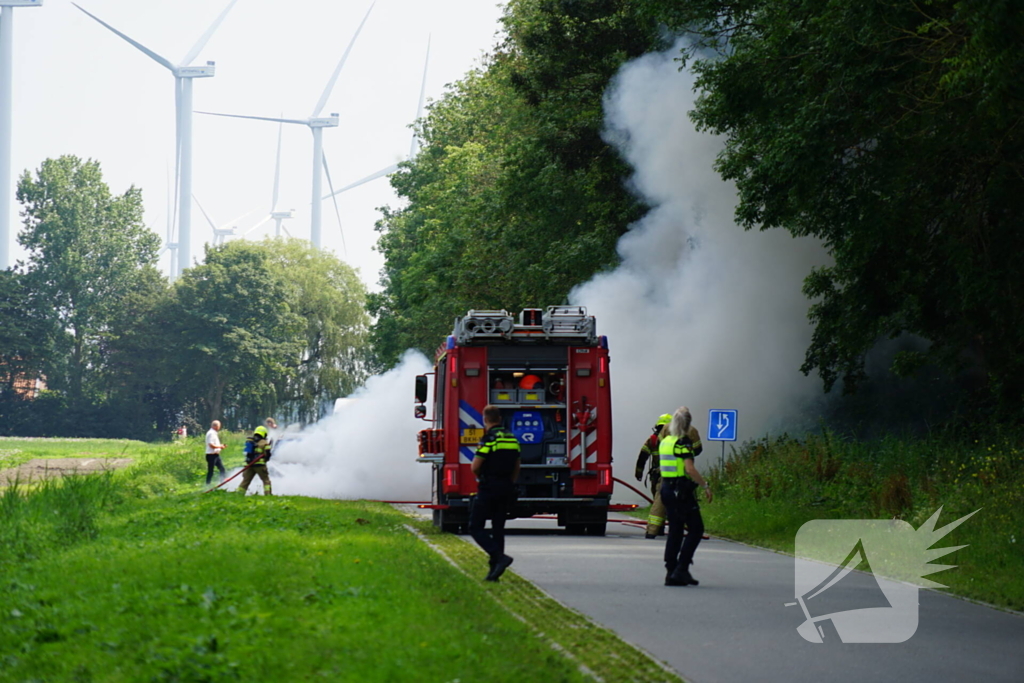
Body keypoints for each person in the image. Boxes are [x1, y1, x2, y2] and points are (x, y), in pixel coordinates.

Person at [659, 406, 712, 586]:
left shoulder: (666, 441)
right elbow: (689, 469)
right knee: (696, 529)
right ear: (689, 424)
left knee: (675, 529)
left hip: (666, 488)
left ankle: (671, 570)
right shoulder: (683, 442)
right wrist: (705, 485)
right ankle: (681, 568)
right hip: (680, 490)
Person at [470, 405, 521, 582]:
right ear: (499, 418)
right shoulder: (512, 438)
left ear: (485, 420)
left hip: (489, 486)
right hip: (506, 487)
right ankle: (494, 573)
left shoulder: (489, 438)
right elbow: (517, 465)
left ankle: (499, 557)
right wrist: (510, 482)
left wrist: (481, 478)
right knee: (498, 527)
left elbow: (475, 466)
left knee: (475, 527)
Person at [635, 413, 672, 538]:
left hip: (657, 476)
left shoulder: (653, 439)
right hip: (676, 475)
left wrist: (639, 472)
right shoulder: (677, 439)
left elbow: (643, 456)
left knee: (658, 501)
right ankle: (670, 528)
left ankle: (656, 529)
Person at [238, 425, 273, 496]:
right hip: (259, 465)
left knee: (245, 481)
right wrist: (265, 460)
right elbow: (268, 455)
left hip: (249, 465)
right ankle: (268, 494)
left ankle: (239, 494)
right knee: (266, 480)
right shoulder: (264, 443)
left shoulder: (250, 441)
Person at [204, 420, 226, 485]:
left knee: (222, 469)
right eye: (219, 426)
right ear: (215, 426)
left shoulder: (214, 433)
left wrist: (220, 446)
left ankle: (222, 482)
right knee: (211, 471)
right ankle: (208, 484)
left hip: (216, 455)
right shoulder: (211, 433)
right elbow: (211, 445)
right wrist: (220, 447)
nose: (219, 427)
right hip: (211, 455)